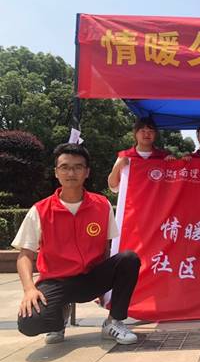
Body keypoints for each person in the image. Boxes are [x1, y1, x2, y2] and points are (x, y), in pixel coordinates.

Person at [12, 143, 141, 345]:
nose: (71, 173)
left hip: (91, 277)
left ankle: (113, 322)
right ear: (56, 172)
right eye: (64, 167)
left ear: (87, 172)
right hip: (57, 281)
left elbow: (106, 249)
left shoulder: (102, 205)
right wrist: (29, 289)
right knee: (30, 323)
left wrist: (104, 290)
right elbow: (25, 255)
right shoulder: (40, 210)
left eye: (78, 167)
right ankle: (58, 319)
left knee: (129, 259)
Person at [108, 117, 174, 192]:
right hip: (132, 199)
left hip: (157, 199)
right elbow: (113, 187)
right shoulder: (124, 156)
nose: (147, 134)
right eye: (143, 131)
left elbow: (172, 187)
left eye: (151, 131)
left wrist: (172, 164)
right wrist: (117, 167)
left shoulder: (163, 157)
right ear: (135, 133)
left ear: (155, 134)